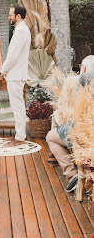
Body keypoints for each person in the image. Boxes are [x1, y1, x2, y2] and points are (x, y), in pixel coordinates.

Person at [46, 55, 94, 192]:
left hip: (83, 133)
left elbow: (72, 107)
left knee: (51, 136)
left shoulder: (83, 80)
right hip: (89, 133)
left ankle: (72, 175)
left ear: (83, 69)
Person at [0, 5, 31, 146]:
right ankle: (20, 135)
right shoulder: (22, 29)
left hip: (16, 74)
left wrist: (3, 70)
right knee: (18, 106)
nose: (9, 17)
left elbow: (13, 55)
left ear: (18, 16)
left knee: (17, 106)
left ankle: (20, 137)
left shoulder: (21, 30)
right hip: (17, 73)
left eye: (10, 15)